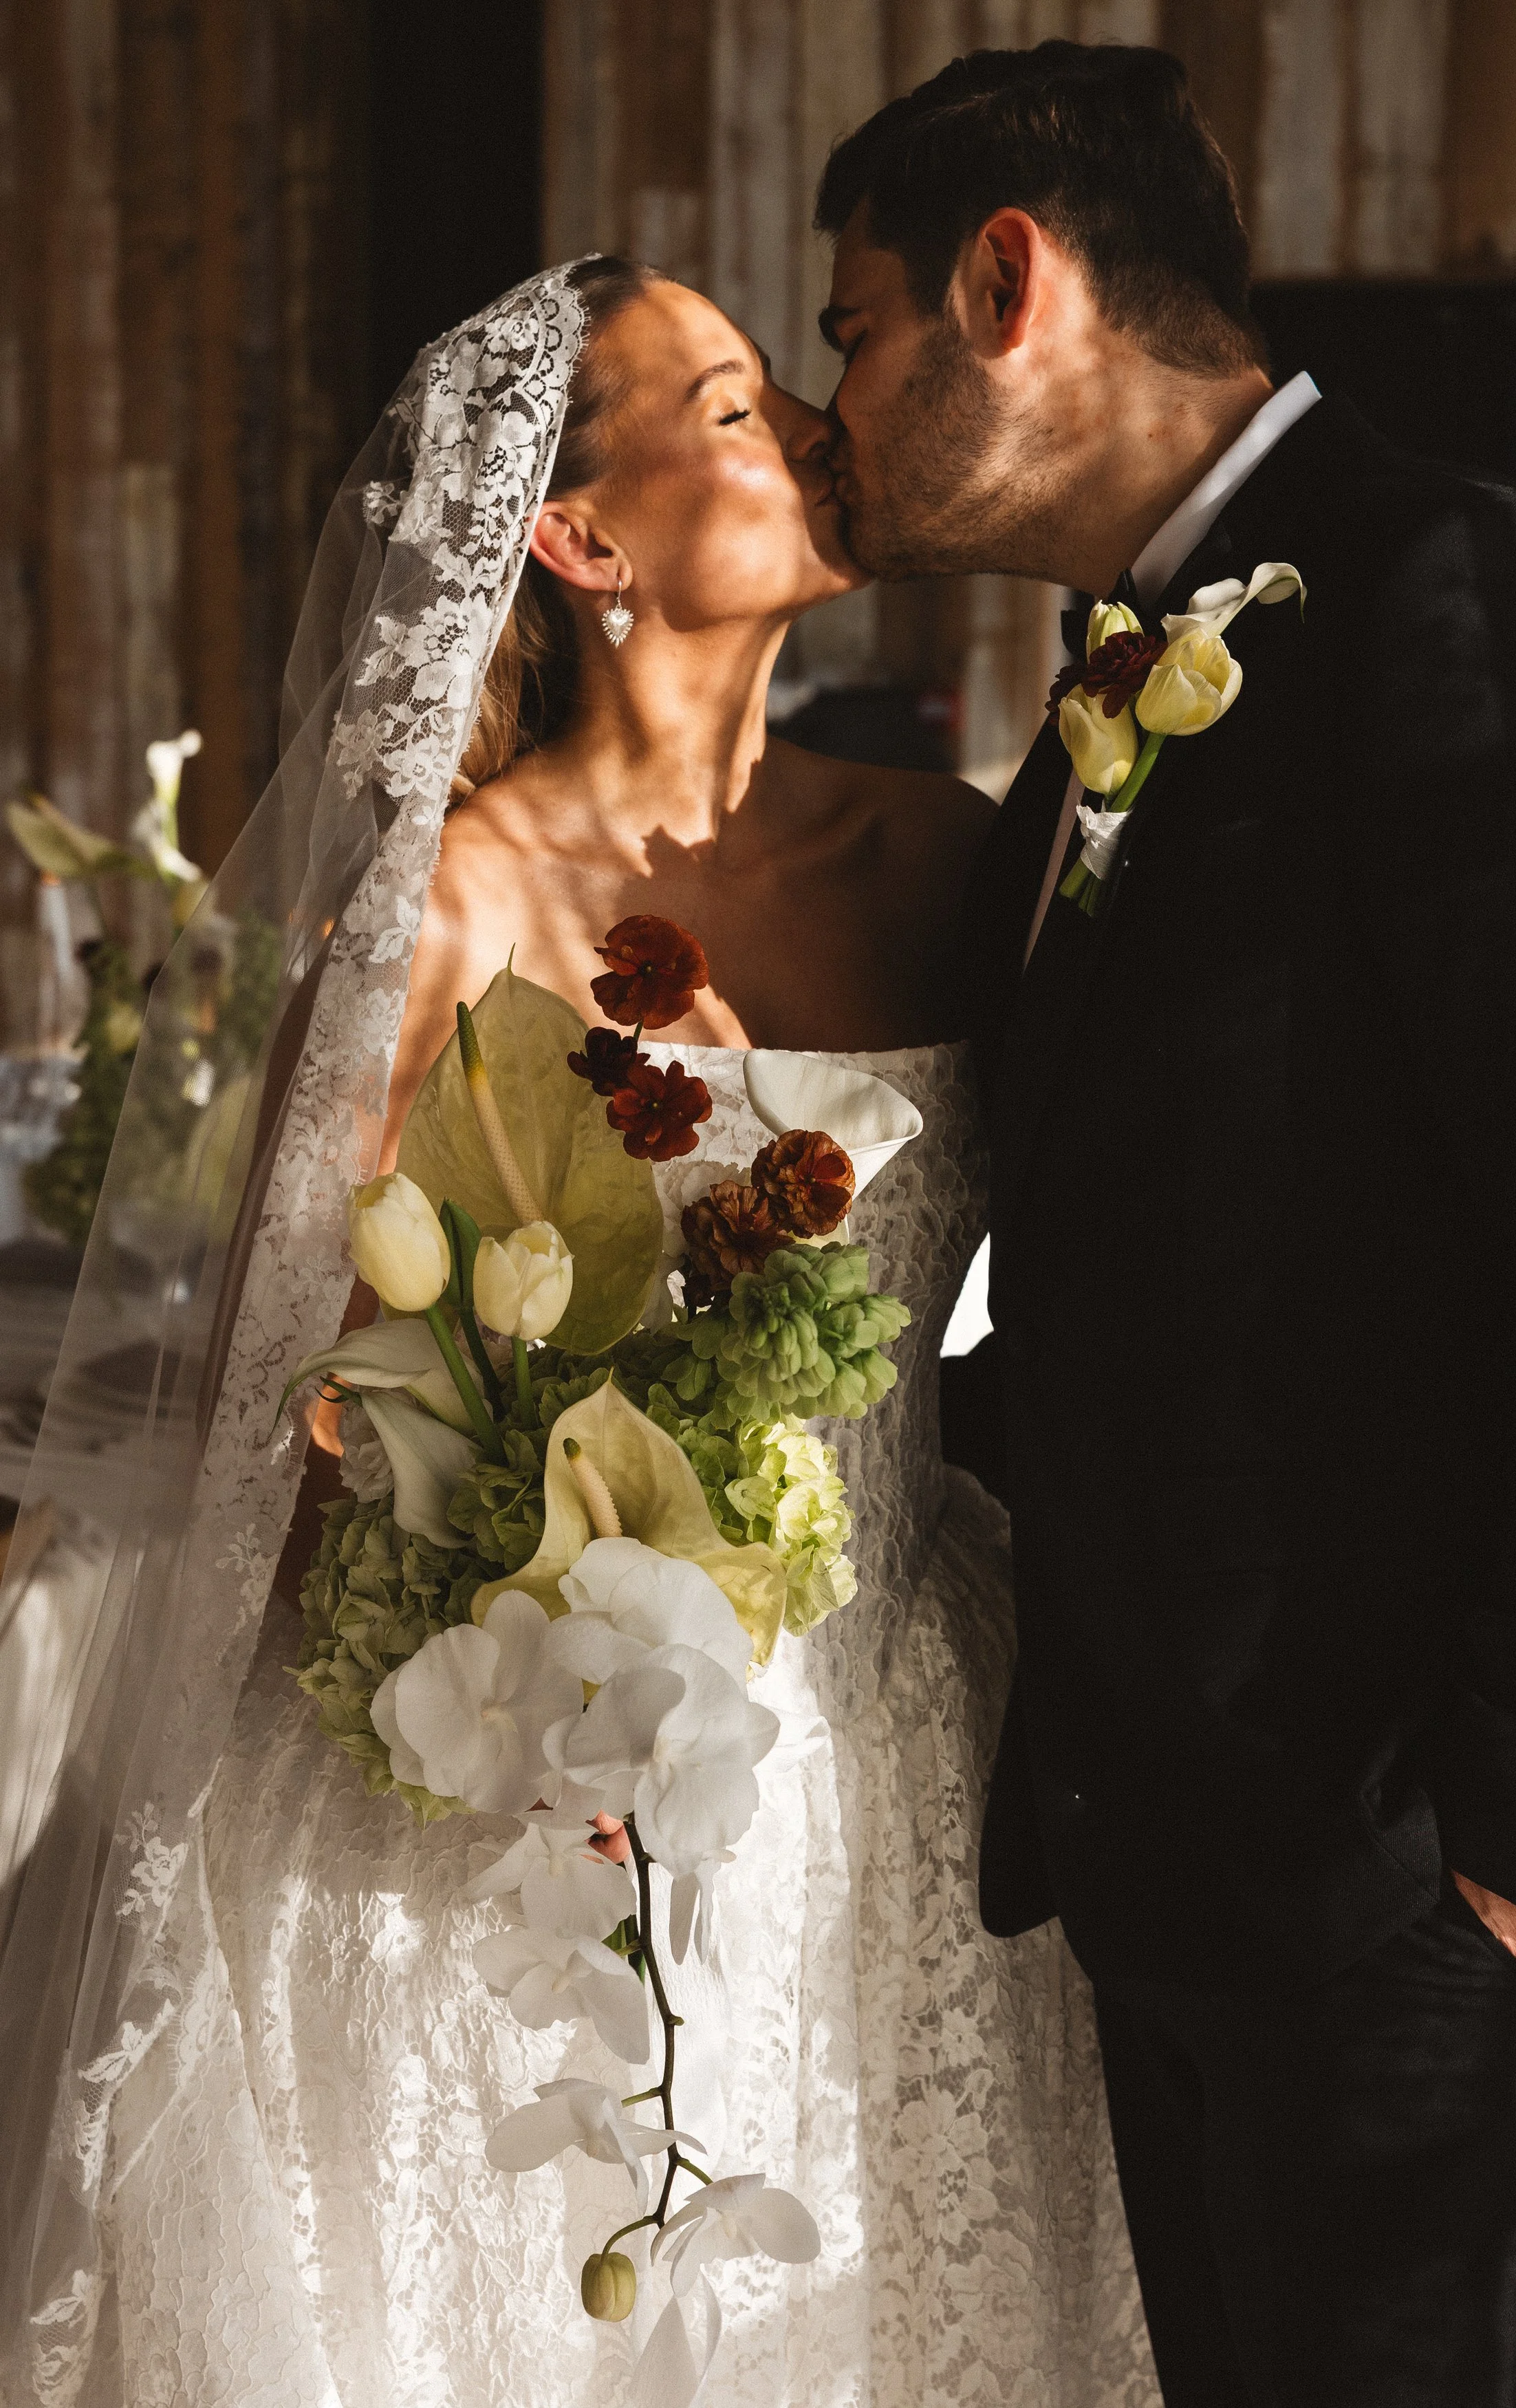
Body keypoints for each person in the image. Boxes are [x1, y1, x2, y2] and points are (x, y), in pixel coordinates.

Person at [0, 256, 1158, 2405]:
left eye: (788, 384)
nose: (810, 429)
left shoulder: (949, 863)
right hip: (525, 1785)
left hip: (907, 1747)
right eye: (730, 412)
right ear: (582, 537)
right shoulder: (443, 902)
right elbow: (303, 1386)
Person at [816, 40, 1516, 2408]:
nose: (833, 402)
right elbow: (1180, 1266)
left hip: (1419, 1882)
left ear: (1006, 283)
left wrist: (1508, 1850)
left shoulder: (1466, 593)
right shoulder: (1112, 681)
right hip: (1182, 1856)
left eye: (848, 329)